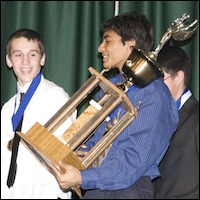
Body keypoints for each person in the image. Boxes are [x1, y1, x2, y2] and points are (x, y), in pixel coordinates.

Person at [49, 11, 179, 199]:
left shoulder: (155, 94)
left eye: (107, 41)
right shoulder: (110, 87)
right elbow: (94, 139)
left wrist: (83, 177)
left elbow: (133, 161)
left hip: (128, 190)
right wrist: (78, 155)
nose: (100, 48)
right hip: (95, 188)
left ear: (130, 45)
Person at [1, 28, 77, 199]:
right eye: (18, 55)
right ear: (9, 60)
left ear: (42, 59)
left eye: (32, 54)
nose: (25, 61)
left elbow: (63, 158)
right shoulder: (7, 109)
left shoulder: (57, 98)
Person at [153, 45, 199, 199]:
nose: (153, 88)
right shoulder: (153, 117)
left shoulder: (196, 116)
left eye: (159, 79)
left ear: (179, 77)